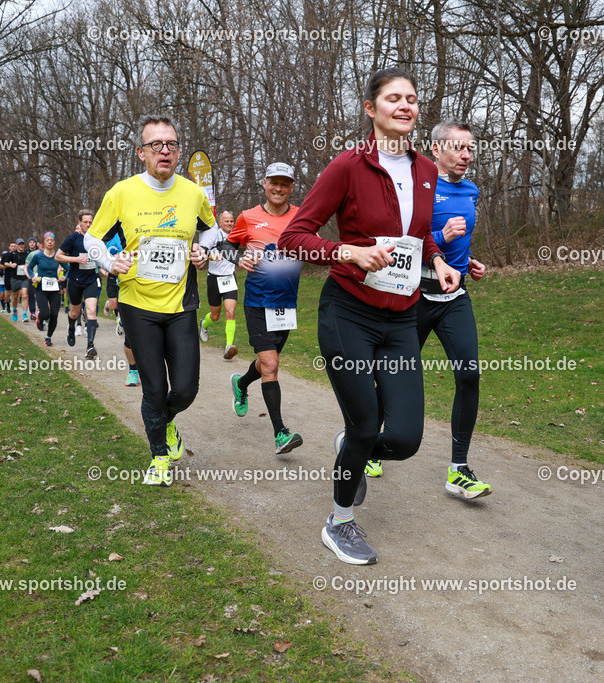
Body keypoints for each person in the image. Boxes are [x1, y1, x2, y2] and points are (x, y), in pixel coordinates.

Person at [279, 67, 460, 565]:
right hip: (348, 313)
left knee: (403, 439)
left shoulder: (426, 170)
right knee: (364, 424)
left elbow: (416, 234)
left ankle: (350, 448)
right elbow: (293, 237)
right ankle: (339, 522)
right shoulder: (347, 167)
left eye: (412, 99)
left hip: (401, 316)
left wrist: (438, 261)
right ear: (371, 109)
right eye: (394, 98)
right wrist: (347, 253)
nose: (405, 106)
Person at [85, 114, 215, 486]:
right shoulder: (122, 192)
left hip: (181, 307)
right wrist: (110, 261)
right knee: (155, 388)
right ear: (141, 153)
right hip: (138, 304)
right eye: (155, 145)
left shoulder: (192, 193)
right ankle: (159, 456)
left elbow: (213, 230)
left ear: (178, 152)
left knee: (186, 390)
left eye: (171, 144)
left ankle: (165, 422)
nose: (165, 151)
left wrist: (202, 251)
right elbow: (91, 239)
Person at [397, 118, 491, 499]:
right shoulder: (418, 187)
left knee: (469, 376)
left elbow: (459, 244)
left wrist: (469, 261)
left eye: (470, 149)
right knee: (397, 374)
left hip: (454, 297)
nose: (466, 155)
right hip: (415, 294)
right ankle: (373, 445)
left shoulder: (471, 191)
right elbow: (403, 241)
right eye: (458, 148)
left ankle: (458, 469)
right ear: (436, 149)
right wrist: (440, 237)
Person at [226, 163, 304, 454]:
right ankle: (281, 433)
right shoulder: (248, 217)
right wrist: (238, 260)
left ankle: (241, 383)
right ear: (264, 182)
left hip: (286, 304)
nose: (279, 188)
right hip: (257, 301)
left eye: (285, 183)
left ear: (292, 187)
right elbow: (226, 246)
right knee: (271, 365)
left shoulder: (302, 216)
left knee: (265, 364)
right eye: (274, 182)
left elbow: (315, 244)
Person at [56, 209, 102, 359]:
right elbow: (58, 256)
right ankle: (71, 328)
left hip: (91, 281)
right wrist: (75, 259)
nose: (88, 225)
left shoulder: (97, 238)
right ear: (79, 223)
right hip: (75, 281)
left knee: (91, 311)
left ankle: (90, 345)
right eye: (85, 222)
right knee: (74, 313)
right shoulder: (73, 239)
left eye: (90, 222)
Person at [197, 210, 240, 360]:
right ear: (220, 222)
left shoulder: (236, 236)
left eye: (231, 221)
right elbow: (203, 250)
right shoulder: (213, 234)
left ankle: (229, 346)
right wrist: (210, 255)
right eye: (226, 221)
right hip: (214, 279)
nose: (229, 223)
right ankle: (204, 324)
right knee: (215, 316)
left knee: (231, 312)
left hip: (229, 278)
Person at [27, 232, 66, 346]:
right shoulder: (38, 256)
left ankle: (48, 337)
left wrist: (64, 276)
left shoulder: (58, 256)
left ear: (54, 242)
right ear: (44, 242)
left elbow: (68, 269)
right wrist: (33, 277)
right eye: (47, 240)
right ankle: (40, 317)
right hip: (41, 288)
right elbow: (29, 268)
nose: (50, 242)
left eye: (52, 240)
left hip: (55, 288)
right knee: (46, 313)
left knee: (54, 314)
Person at [2, 239, 30, 322]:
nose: (21, 246)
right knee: (15, 296)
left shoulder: (27, 254)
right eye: (19, 244)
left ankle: (25, 315)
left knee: (24, 295)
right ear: (17, 245)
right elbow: (4, 263)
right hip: (15, 278)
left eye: (22, 244)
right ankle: (14, 310)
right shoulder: (12, 254)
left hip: (24, 278)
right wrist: (11, 265)